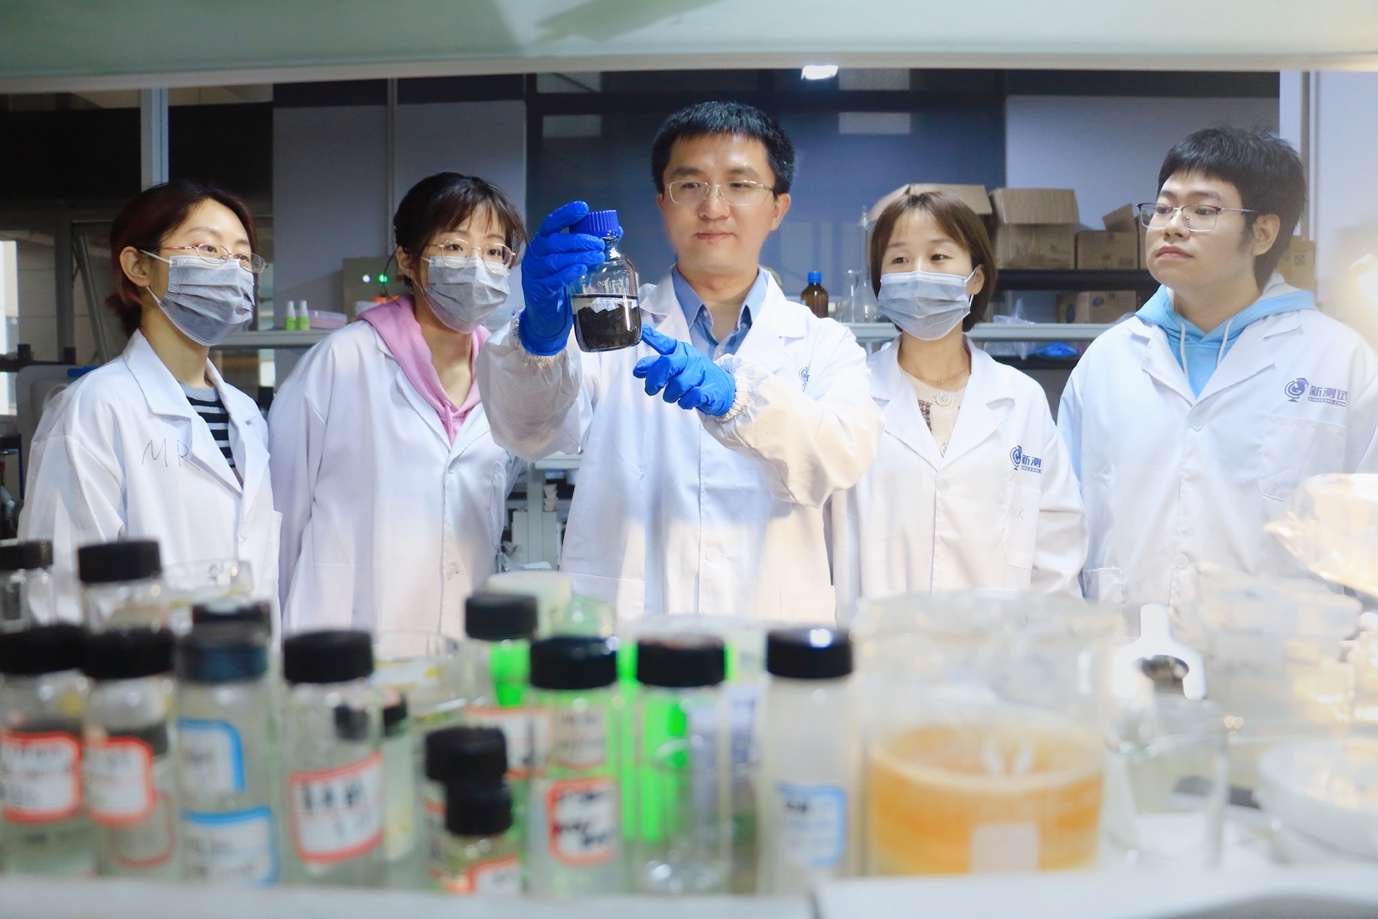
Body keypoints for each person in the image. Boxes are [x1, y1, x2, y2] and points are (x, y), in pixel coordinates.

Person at [476, 101, 882, 622]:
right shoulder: (605, 325)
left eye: (739, 184)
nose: (713, 207)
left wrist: (740, 400)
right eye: (689, 185)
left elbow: (841, 457)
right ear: (663, 204)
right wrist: (539, 340)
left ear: (778, 207)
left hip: (768, 624)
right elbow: (527, 433)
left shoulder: (824, 343)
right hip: (632, 624)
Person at [1058, 127, 1378, 618]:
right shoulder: (1107, 359)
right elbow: (1062, 520)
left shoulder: (1339, 360)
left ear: (1263, 233)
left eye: (1203, 211)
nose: (1172, 226)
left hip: (1287, 654)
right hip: (1126, 643)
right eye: (1163, 208)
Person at [269, 172, 526, 636]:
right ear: (408, 259)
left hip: (460, 640)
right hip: (344, 638)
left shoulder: (503, 371)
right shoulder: (342, 361)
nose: (477, 265)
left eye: (494, 251)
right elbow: (281, 517)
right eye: (454, 246)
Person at [20, 180, 278, 616]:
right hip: (143, 657)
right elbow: (60, 592)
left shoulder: (246, 413)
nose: (231, 269)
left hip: (244, 653)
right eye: (208, 249)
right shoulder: (95, 406)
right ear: (139, 266)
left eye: (241, 256)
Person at [831, 191, 1085, 614]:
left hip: (996, 646)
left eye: (938, 256)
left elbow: (1056, 547)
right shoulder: (849, 394)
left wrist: (1049, 643)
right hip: (877, 644)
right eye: (899, 259)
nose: (918, 273)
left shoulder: (1021, 400)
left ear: (976, 278)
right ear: (881, 284)